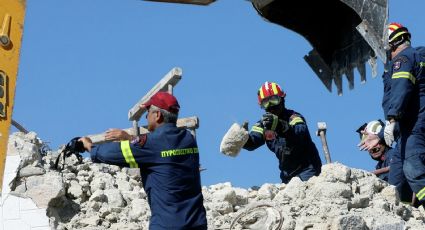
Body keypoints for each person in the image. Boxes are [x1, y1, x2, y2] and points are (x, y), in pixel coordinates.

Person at [79, 92, 207, 230]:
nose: (146, 116)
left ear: (157, 115)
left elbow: (112, 153)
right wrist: (130, 139)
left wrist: (90, 146)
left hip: (167, 225)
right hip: (196, 223)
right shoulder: (188, 140)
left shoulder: (152, 144)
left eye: (148, 112)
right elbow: (155, 151)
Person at [359, 22, 425, 205]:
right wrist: (380, 135)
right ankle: (405, 215)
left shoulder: (403, 59)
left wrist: (392, 118)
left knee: (413, 168)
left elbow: (401, 89)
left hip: (415, 127)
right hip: (407, 129)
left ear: (392, 44)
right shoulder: (413, 58)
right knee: (395, 179)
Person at [243, 81, 322, 183]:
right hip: (287, 175)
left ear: (282, 99)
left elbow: (300, 132)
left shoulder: (294, 117)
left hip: (308, 169)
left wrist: (282, 126)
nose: (271, 105)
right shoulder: (264, 125)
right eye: (266, 102)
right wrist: (242, 138)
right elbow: (252, 143)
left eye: (274, 100)